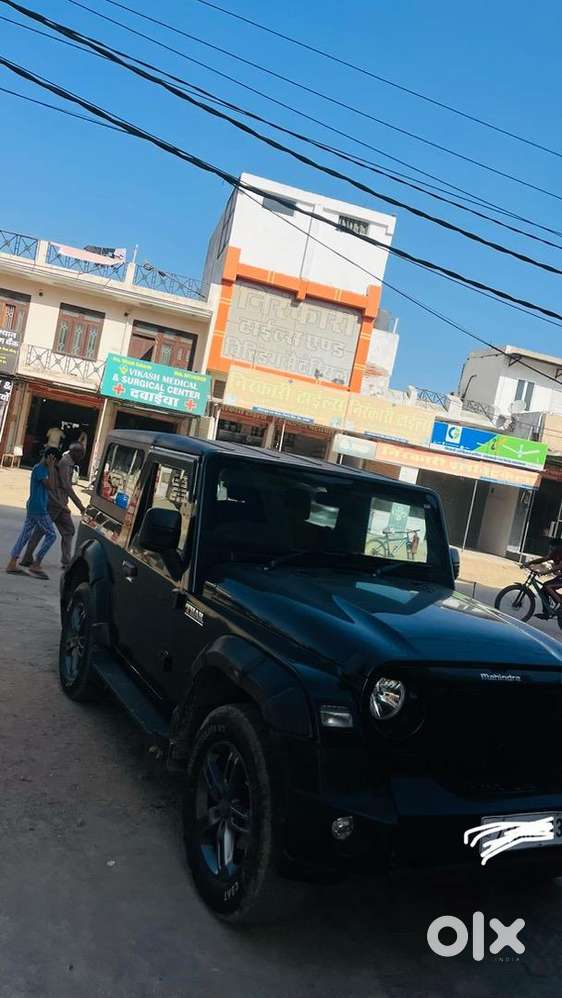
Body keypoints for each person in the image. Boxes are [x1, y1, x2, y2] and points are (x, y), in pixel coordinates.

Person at [20, 442, 86, 570]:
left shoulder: (67, 459)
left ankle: (66, 562)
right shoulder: (66, 462)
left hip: (60, 503)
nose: (82, 456)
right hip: (55, 503)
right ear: (75, 452)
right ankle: (29, 558)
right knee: (42, 531)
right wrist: (80, 506)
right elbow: (66, 486)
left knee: (68, 530)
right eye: (81, 453)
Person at [6, 447, 59, 579]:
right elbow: (50, 486)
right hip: (38, 508)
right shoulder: (40, 469)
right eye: (54, 460)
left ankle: (12, 562)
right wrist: (52, 468)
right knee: (52, 535)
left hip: (35, 507)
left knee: (25, 534)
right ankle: (36, 563)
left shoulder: (42, 469)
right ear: (49, 457)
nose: (54, 463)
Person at [527, 536, 562, 614]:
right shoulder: (554, 554)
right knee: (543, 590)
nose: (550, 548)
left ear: (558, 546)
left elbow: (560, 566)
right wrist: (529, 563)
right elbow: (543, 559)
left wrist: (545, 572)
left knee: (547, 586)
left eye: (552, 547)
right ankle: (546, 613)